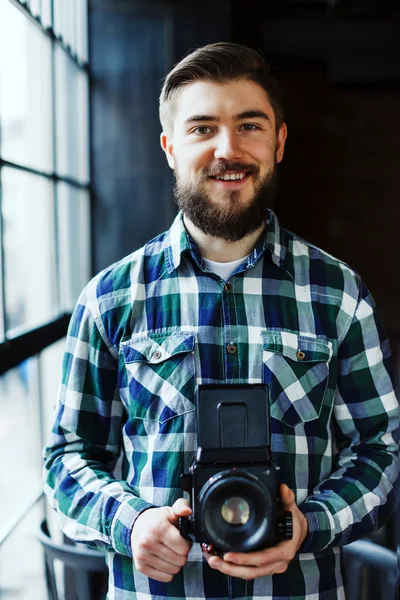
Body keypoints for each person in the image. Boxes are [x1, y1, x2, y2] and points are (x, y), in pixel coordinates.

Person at [43, 42, 399, 600]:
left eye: (249, 126)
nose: (227, 149)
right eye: (202, 128)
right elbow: (68, 456)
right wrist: (131, 523)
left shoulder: (340, 295)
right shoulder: (109, 299)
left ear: (279, 142)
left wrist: (310, 524)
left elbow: (381, 448)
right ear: (169, 148)